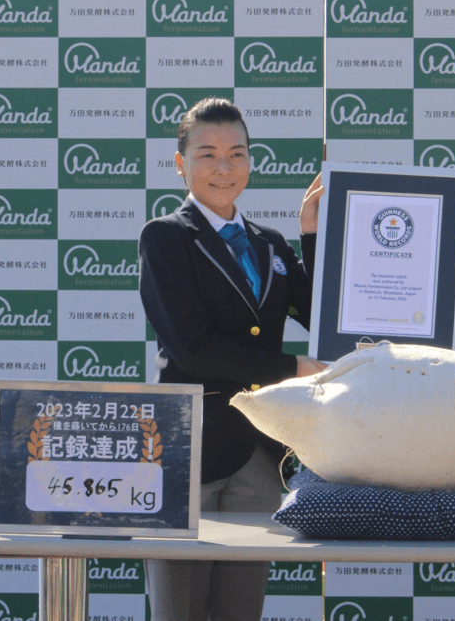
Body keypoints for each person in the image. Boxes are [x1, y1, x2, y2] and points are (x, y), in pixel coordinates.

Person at [138, 97, 326, 621]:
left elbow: (321, 314)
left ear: (250, 160)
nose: (224, 167)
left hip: (259, 452)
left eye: (236, 153)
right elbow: (190, 348)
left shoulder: (270, 242)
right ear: (180, 163)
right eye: (207, 154)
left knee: (242, 607)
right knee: (180, 609)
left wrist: (310, 235)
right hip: (189, 447)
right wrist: (291, 369)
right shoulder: (165, 237)